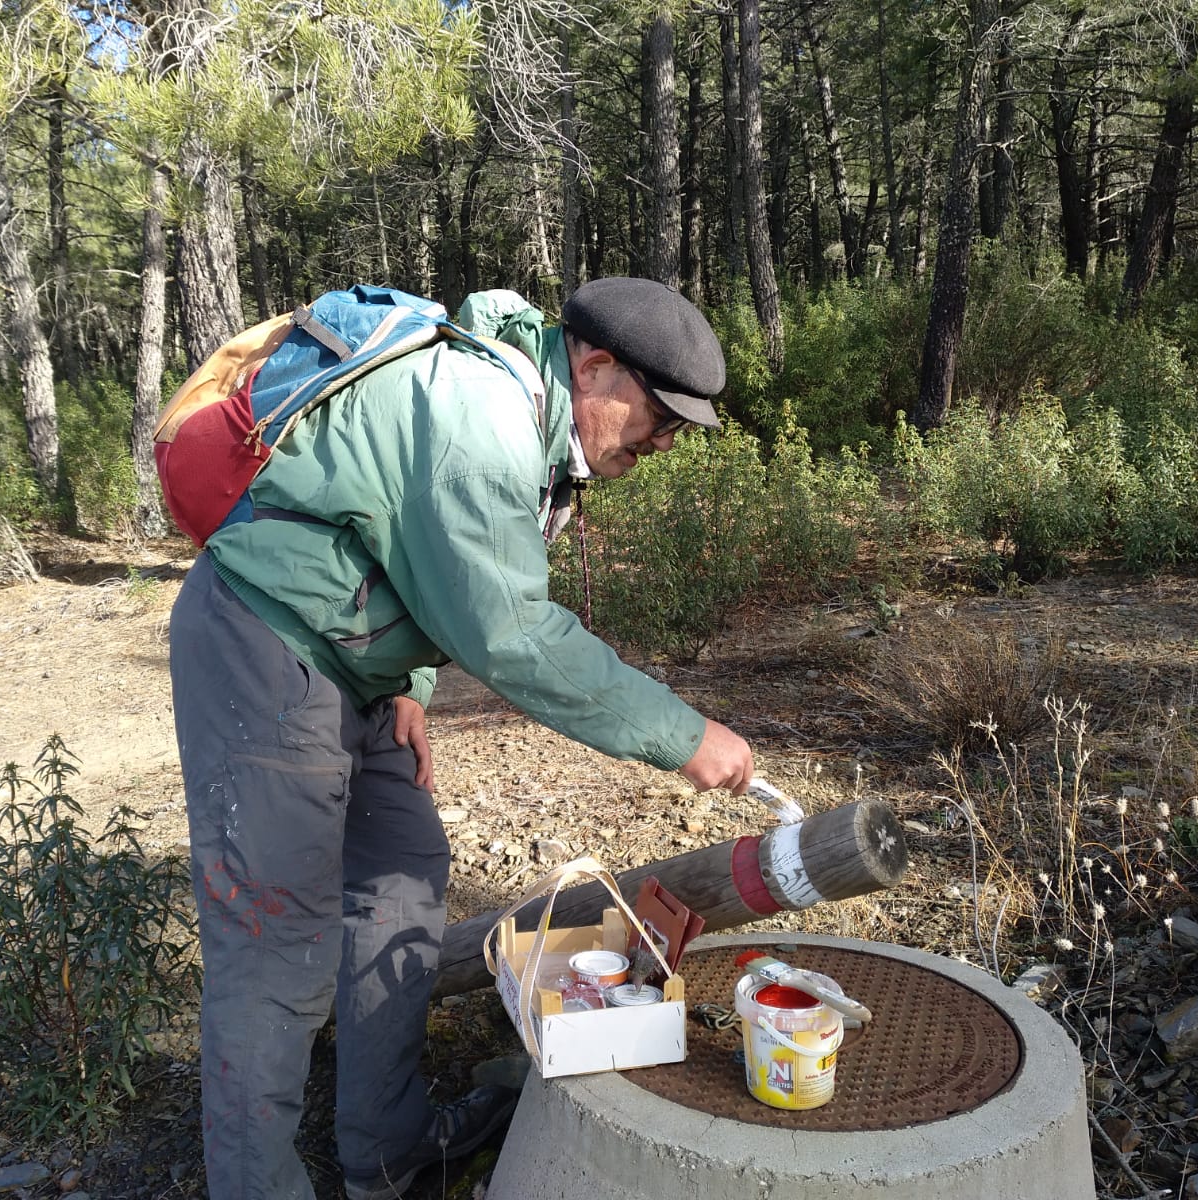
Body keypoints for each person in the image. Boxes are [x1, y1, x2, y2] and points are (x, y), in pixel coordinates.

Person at [167, 277, 756, 1200]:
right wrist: (683, 735)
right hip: (264, 649)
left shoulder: (531, 417)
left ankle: (388, 1153)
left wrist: (410, 682)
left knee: (401, 886)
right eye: (661, 413)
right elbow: (511, 632)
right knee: (274, 953)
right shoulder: (482, 418)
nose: (669, 439)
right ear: (597, 367)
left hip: (358, 672)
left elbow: (415, 553)